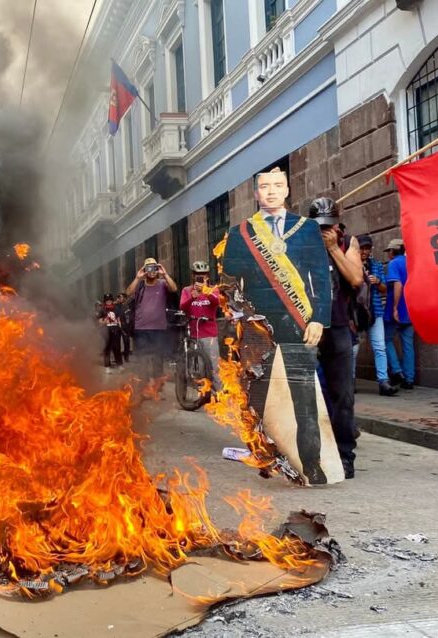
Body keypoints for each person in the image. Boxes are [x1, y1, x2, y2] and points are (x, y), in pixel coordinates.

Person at [221, 168, 342, 485]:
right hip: (258, 327)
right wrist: (241, 318)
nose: (271, 191)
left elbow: (321, 279)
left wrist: (319, 318)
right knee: (256, 398)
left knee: (304, 400)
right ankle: (261, 454)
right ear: (256, 194)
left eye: (277, 186)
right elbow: (230, 282)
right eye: (264, 186)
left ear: (287, 190)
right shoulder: (241, 233)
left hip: (298, 323)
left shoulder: (306, 230)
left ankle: (311, 464)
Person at [308, 198, 364, 479]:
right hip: (307, 328)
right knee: (306, 396)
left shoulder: (347, 242)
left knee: (343, 395)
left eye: (328, 227)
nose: (324, 232)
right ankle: (311, 453)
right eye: (319, 228)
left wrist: (332, 248)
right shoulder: (302, 245)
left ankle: (345, 455)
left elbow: (355, 279)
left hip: (339, 326)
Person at [357, 234, 398, 396]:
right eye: (362, 248)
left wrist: (377, 282)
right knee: (353, 349)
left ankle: (383, 381)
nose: (365, 251)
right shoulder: (351, 264)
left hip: (375, 310)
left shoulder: (376, 265)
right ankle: (350, 380)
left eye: (367, 248)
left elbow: (385, 290)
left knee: (380, 346)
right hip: (357, 312)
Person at [126, 257, 178, 382]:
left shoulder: (162, 284)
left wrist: (165, 274)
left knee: (157, 359)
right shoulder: (140, 285)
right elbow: (128, 292)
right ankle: (144, 386)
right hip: (141, 328)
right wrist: (138, 278)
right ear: (145, 270)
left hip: (159, 328)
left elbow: (174, 288)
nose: (152, 271)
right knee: (142, 359)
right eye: (149, 268)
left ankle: (157, 387)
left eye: (154, 267)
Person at [179, 261, 223, 393]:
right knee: (198, 367)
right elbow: (182, 307)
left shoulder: (213, 289)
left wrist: (206, 291)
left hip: (209, 334)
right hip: (194, 333)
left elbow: (217, 302)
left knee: (214, 366)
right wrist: (191, 298)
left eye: (203, 274)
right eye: (198, 274)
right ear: (193, 275)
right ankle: (202, 394)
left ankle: (219, 394)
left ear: (207, 276)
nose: (201, 276)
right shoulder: (187, 290)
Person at [384, 239, 416, 389]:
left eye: (389, 251)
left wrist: (395, 307)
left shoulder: (394, 264)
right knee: (408, 345)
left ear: (392, 251)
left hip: (396, 311)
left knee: (386, 340)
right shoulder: (412, 263)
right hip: (411, 310)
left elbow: (397, 284)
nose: (388, 254)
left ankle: (397, 371)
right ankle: (409, 379)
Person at [100, 294, 124, 372]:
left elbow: (119, 318)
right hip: (106, 331)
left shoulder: (116, 309)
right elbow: (99, 321)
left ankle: (119, 364)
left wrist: (119, 323)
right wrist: (104, 321)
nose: (109, 301)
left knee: (117, 348)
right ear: (105, 301)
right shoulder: (102, 310)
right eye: (107, 300)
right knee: (107, 348)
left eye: (110, 300)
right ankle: (107, 366)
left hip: (116, 330)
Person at [115, 292, 132, 363]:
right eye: (118, 297)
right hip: (117, 326)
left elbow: (129, 316)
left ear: (125, 298)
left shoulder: (127, 306)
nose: (119, 298)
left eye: (120, 297)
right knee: (116, 343)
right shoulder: (116, 306)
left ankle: (126, 357)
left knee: (126, 342)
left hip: (125, 326)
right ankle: (118, 358)